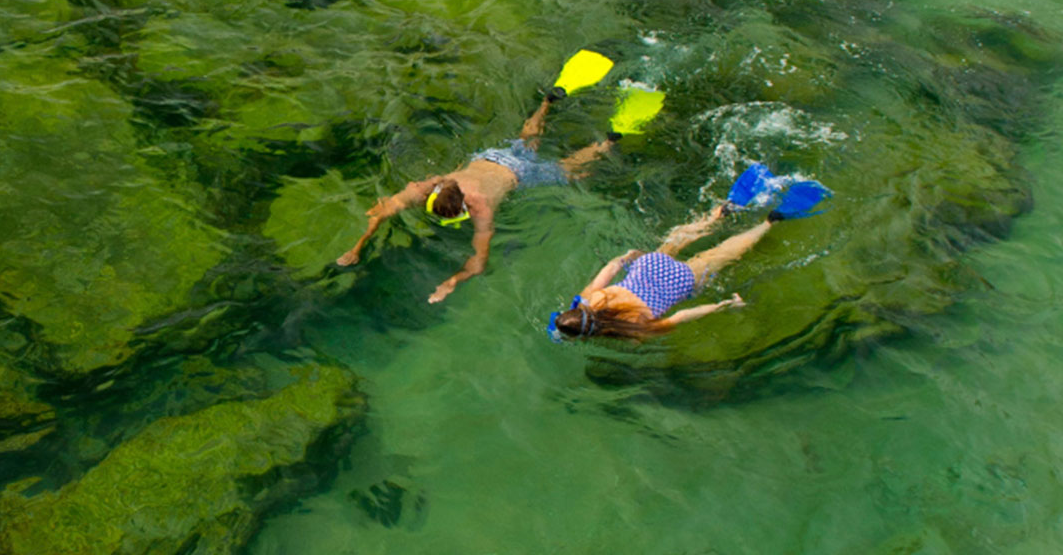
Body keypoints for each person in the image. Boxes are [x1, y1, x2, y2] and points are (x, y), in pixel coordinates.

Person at [335, 82, 656, 304]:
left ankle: (609, 141)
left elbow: (478, 263)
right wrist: (357, 246)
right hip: (492, 159)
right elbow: (381, 211)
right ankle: (547, 103)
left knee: (568, 170)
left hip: (520, 174)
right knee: (526, 142)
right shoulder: (439, 183)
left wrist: (450, 282)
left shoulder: (479, 207)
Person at [548, 175, 830, 340]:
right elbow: (611, 267)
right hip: (648, 266)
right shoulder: (589, 299)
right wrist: (628, 257)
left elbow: (682, 315)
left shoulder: (635, 330)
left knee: (721, 254)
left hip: (678, 283)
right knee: (679, 238)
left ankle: (770, 222)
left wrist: (723, 305)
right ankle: (721, 213)